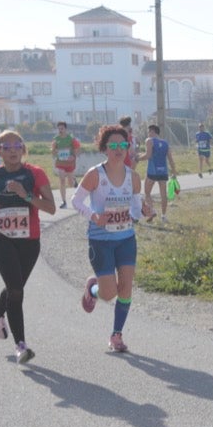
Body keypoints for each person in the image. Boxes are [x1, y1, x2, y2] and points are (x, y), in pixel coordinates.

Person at [0, 129, 56, 365]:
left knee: (14, 286)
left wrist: (26, 195)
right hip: (1, 238)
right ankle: (21, 345)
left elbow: (51, 208)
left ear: (23, 148)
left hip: (29, 241)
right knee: (16, 290)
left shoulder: (35, 174)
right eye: (5, 147)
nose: (12, 151)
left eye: (16, 145)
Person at [72, 123, 147, 354]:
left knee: (125, 289)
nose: (118, 149)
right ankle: (92, 289)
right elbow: (76, 201)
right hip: (101, 240)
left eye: (122, 144)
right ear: (104, 148)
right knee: (109, 294)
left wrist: (144, 212)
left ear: (128, 147)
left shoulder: (133, 176)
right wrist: (94, 215)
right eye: (113, 145)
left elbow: (135, 209)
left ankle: (116, 335)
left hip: (126, 238)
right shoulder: (96, 174)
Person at [141, 123, 177, 222]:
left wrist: (137, 158)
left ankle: (152, 211)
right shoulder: (165, 143)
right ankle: (164, 216)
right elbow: (170, 159)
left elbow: (148, 155)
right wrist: (174, 172)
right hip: (163, 172)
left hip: (152, 172)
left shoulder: (149, 141)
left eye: (148, 131)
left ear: (152, 131)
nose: (148, 134)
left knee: (147, 192)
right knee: (163, 195)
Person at [51, 121, 84, 208]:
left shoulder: (71, 139)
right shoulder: (56, 139)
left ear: (66, 129)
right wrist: (55, 151)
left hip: (70, 163)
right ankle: (64, 201)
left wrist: (73, 156)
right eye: (58, 129)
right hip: (60, 163)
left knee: (70, 184)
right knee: (62, 180)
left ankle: (74, 181)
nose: (60, 130)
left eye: (62, 128)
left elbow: (78, 150)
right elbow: (53, 152)